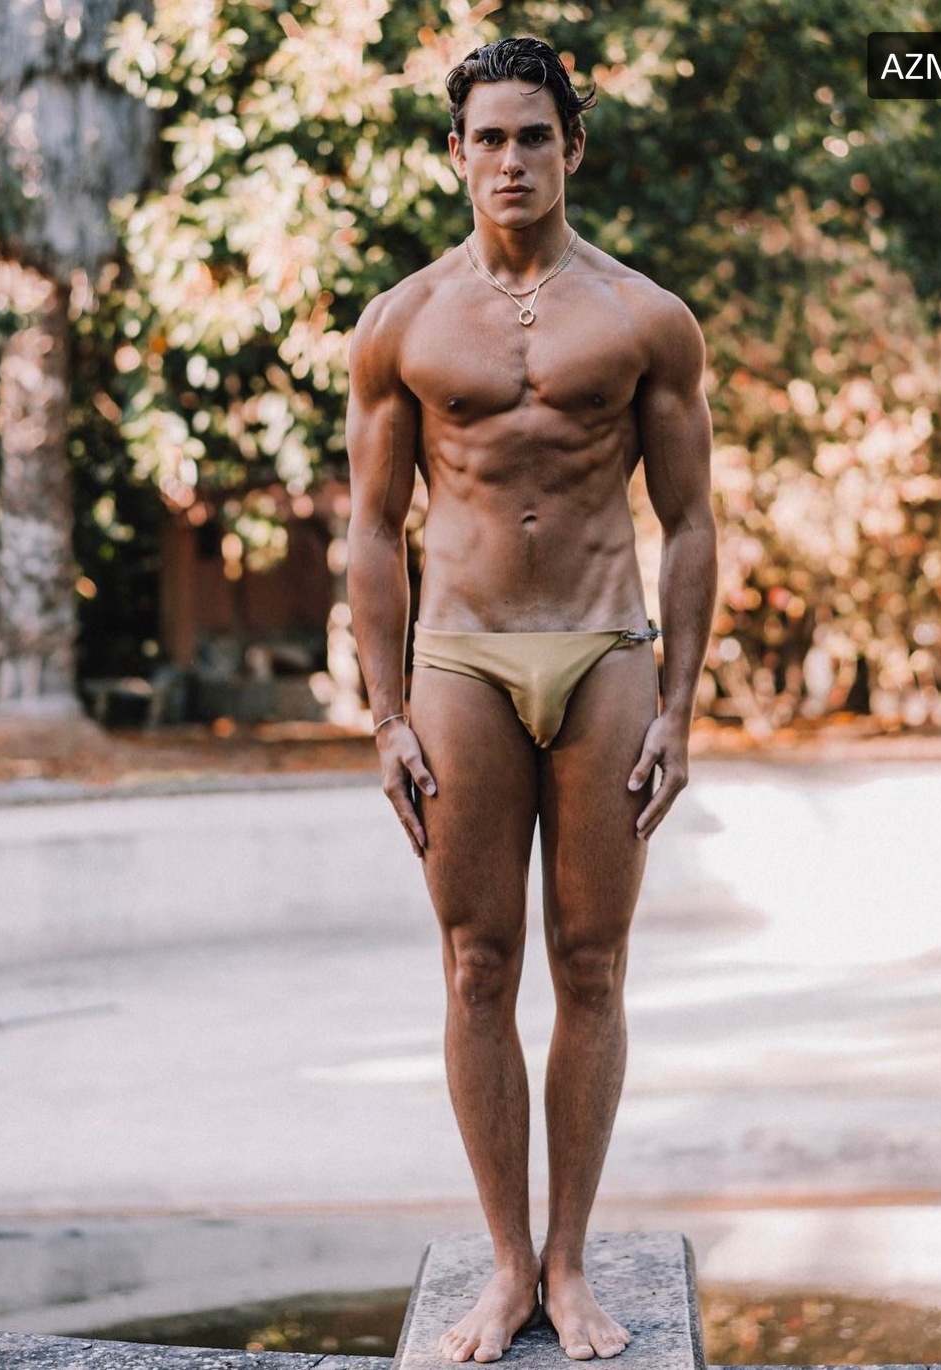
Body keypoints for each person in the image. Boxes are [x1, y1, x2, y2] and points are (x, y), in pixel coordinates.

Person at [346, 35, 716, 1365]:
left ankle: (571, 1259)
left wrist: (681, 704)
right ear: (456, 154)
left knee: (594, 964)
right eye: (488, 138)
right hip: (461, 659)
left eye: (534, 136)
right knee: (476, 962)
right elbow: (371, 530)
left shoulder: (644, 318)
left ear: (573, 149)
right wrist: (384, 714)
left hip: (603, 649)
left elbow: (688, 522)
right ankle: (508, 1266)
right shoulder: (400, 323)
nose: (511, 159)